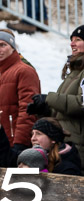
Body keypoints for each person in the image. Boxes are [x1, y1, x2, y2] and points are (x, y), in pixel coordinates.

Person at [26, 26, 84, 170]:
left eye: (78, 40)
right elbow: (64, 110)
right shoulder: (74, 72)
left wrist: (49, 99)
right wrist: (45, 109)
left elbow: (81, 103)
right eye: (71, 40)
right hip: (65, 143)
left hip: (78, 144)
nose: (72, 43)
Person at [0, 30, 39, 164]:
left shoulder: (24, 71)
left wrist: (21, 142)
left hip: (17, 145)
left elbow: (28, 110)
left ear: (12, 47)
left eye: (3, 45)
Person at [0, 98, 81, 175]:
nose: (33, 138)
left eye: (39, 134)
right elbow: (6, 156)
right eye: (32, 134)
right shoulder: (29, 156)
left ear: (53, 139)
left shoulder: (68, 168)